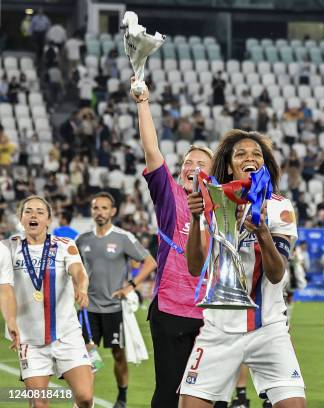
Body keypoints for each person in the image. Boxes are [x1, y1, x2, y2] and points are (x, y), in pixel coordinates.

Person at [181, 130, 306, 408]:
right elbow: (194, 267)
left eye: (256, 154)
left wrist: (261, 231)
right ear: (229, 165)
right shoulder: (211, 201)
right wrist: (196, 216)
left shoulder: (279, 207)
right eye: (241, 154)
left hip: (268, 328)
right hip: (219, 328)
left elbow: (276, 273)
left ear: (264, 163)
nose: (250, 158)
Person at [130, 78, 214, 408]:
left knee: (209, 396)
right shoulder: (169, 195)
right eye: (187, 163)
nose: (191, 167)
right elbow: (152, 150)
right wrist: (143, 103)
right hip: (170, 308)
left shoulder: (223, 207)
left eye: (200, 164)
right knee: (168, 392)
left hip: (212, 313)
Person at [0, 195, 94, 407]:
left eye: (40, 212)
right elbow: (5, 288)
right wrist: (11, 321)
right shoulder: (7, 248)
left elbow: (78, 271)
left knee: (85, 398)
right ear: (21, 218)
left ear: (49, 220)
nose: (34, 215)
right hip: (29, 340)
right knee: (39, 404)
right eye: (28, 211)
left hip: (66, 335)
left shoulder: (64, 244)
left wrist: (82, 288)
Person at [76, 191, 157, 408]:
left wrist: (131, 286)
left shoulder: (123, 237)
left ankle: (122, 398)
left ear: (113, 212)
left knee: (118, 355)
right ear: (91, 211)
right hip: (88, 309)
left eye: (104, 208)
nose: (99, 212)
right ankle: (84, 401)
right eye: (95, 208)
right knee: (86, 357)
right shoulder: (82, 240)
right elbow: (74, 269)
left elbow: (150, 262)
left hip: (114, 309)